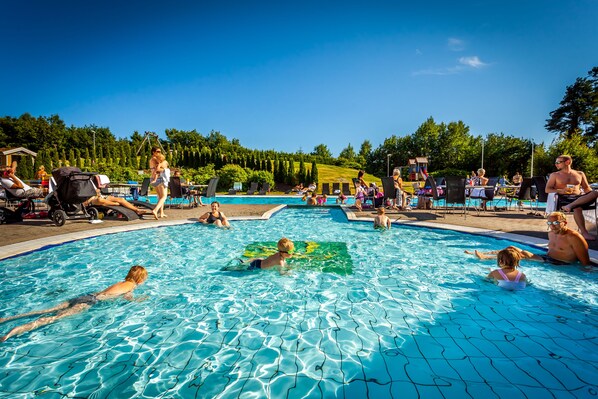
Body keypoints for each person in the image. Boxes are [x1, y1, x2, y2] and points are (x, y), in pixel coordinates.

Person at [0, 265, 148, 342]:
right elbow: (127, 298)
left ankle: (5, 319)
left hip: (87, 296)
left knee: (44, 311)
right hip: (90, 302)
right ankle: (9, 334)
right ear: (140, 280)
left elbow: (106, 292)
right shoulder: (131, 287)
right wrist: (138, 300)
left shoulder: (121, 282)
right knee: (51, 319)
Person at [465, 212, 595, 267]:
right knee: (511, 248)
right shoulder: (552, 233)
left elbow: (585, 261)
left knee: (524, 253)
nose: (552, 227)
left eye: (556, 223)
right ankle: (485, 254)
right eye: (549, 224)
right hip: (547, 258)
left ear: (564, 222)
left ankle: (486, 258)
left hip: (560, 264)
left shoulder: (574, 237)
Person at [546, 155, 594, 240]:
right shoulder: (555, 175)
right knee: (577, 207)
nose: (556, 164)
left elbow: (586, 188)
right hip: (564, 198)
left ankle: (571, 205)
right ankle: (584, 232)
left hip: (579, 197)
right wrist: (561, 191)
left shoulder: (580, 174)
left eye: (558, 162)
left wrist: (591, 195)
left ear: (568, 162)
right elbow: (547, 189)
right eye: (555, 162)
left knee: (596, 192)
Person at [226, 238, 294, 275]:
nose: (293, 252)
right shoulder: (280, 262)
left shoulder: (278, 254)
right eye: (290, 251)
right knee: (240, 269)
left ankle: (242, 262)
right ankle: (228, 269)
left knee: (243, 264)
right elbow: (281, 273)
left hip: (259, 260)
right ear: (283, 253)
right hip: (256, 266)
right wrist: (289, 273)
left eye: (293, 250)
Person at [149, 147, 170, 220]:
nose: (159, 153)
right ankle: (155, 210)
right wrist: (166, 169)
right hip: (159, 179)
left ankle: (161, 213)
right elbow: (158, 170)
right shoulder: (155, 160)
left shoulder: (151, 160)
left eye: (160, 151)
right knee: (164, 197)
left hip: (153, 179)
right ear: (153, 152)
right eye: (157, 151)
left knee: (160, 197)